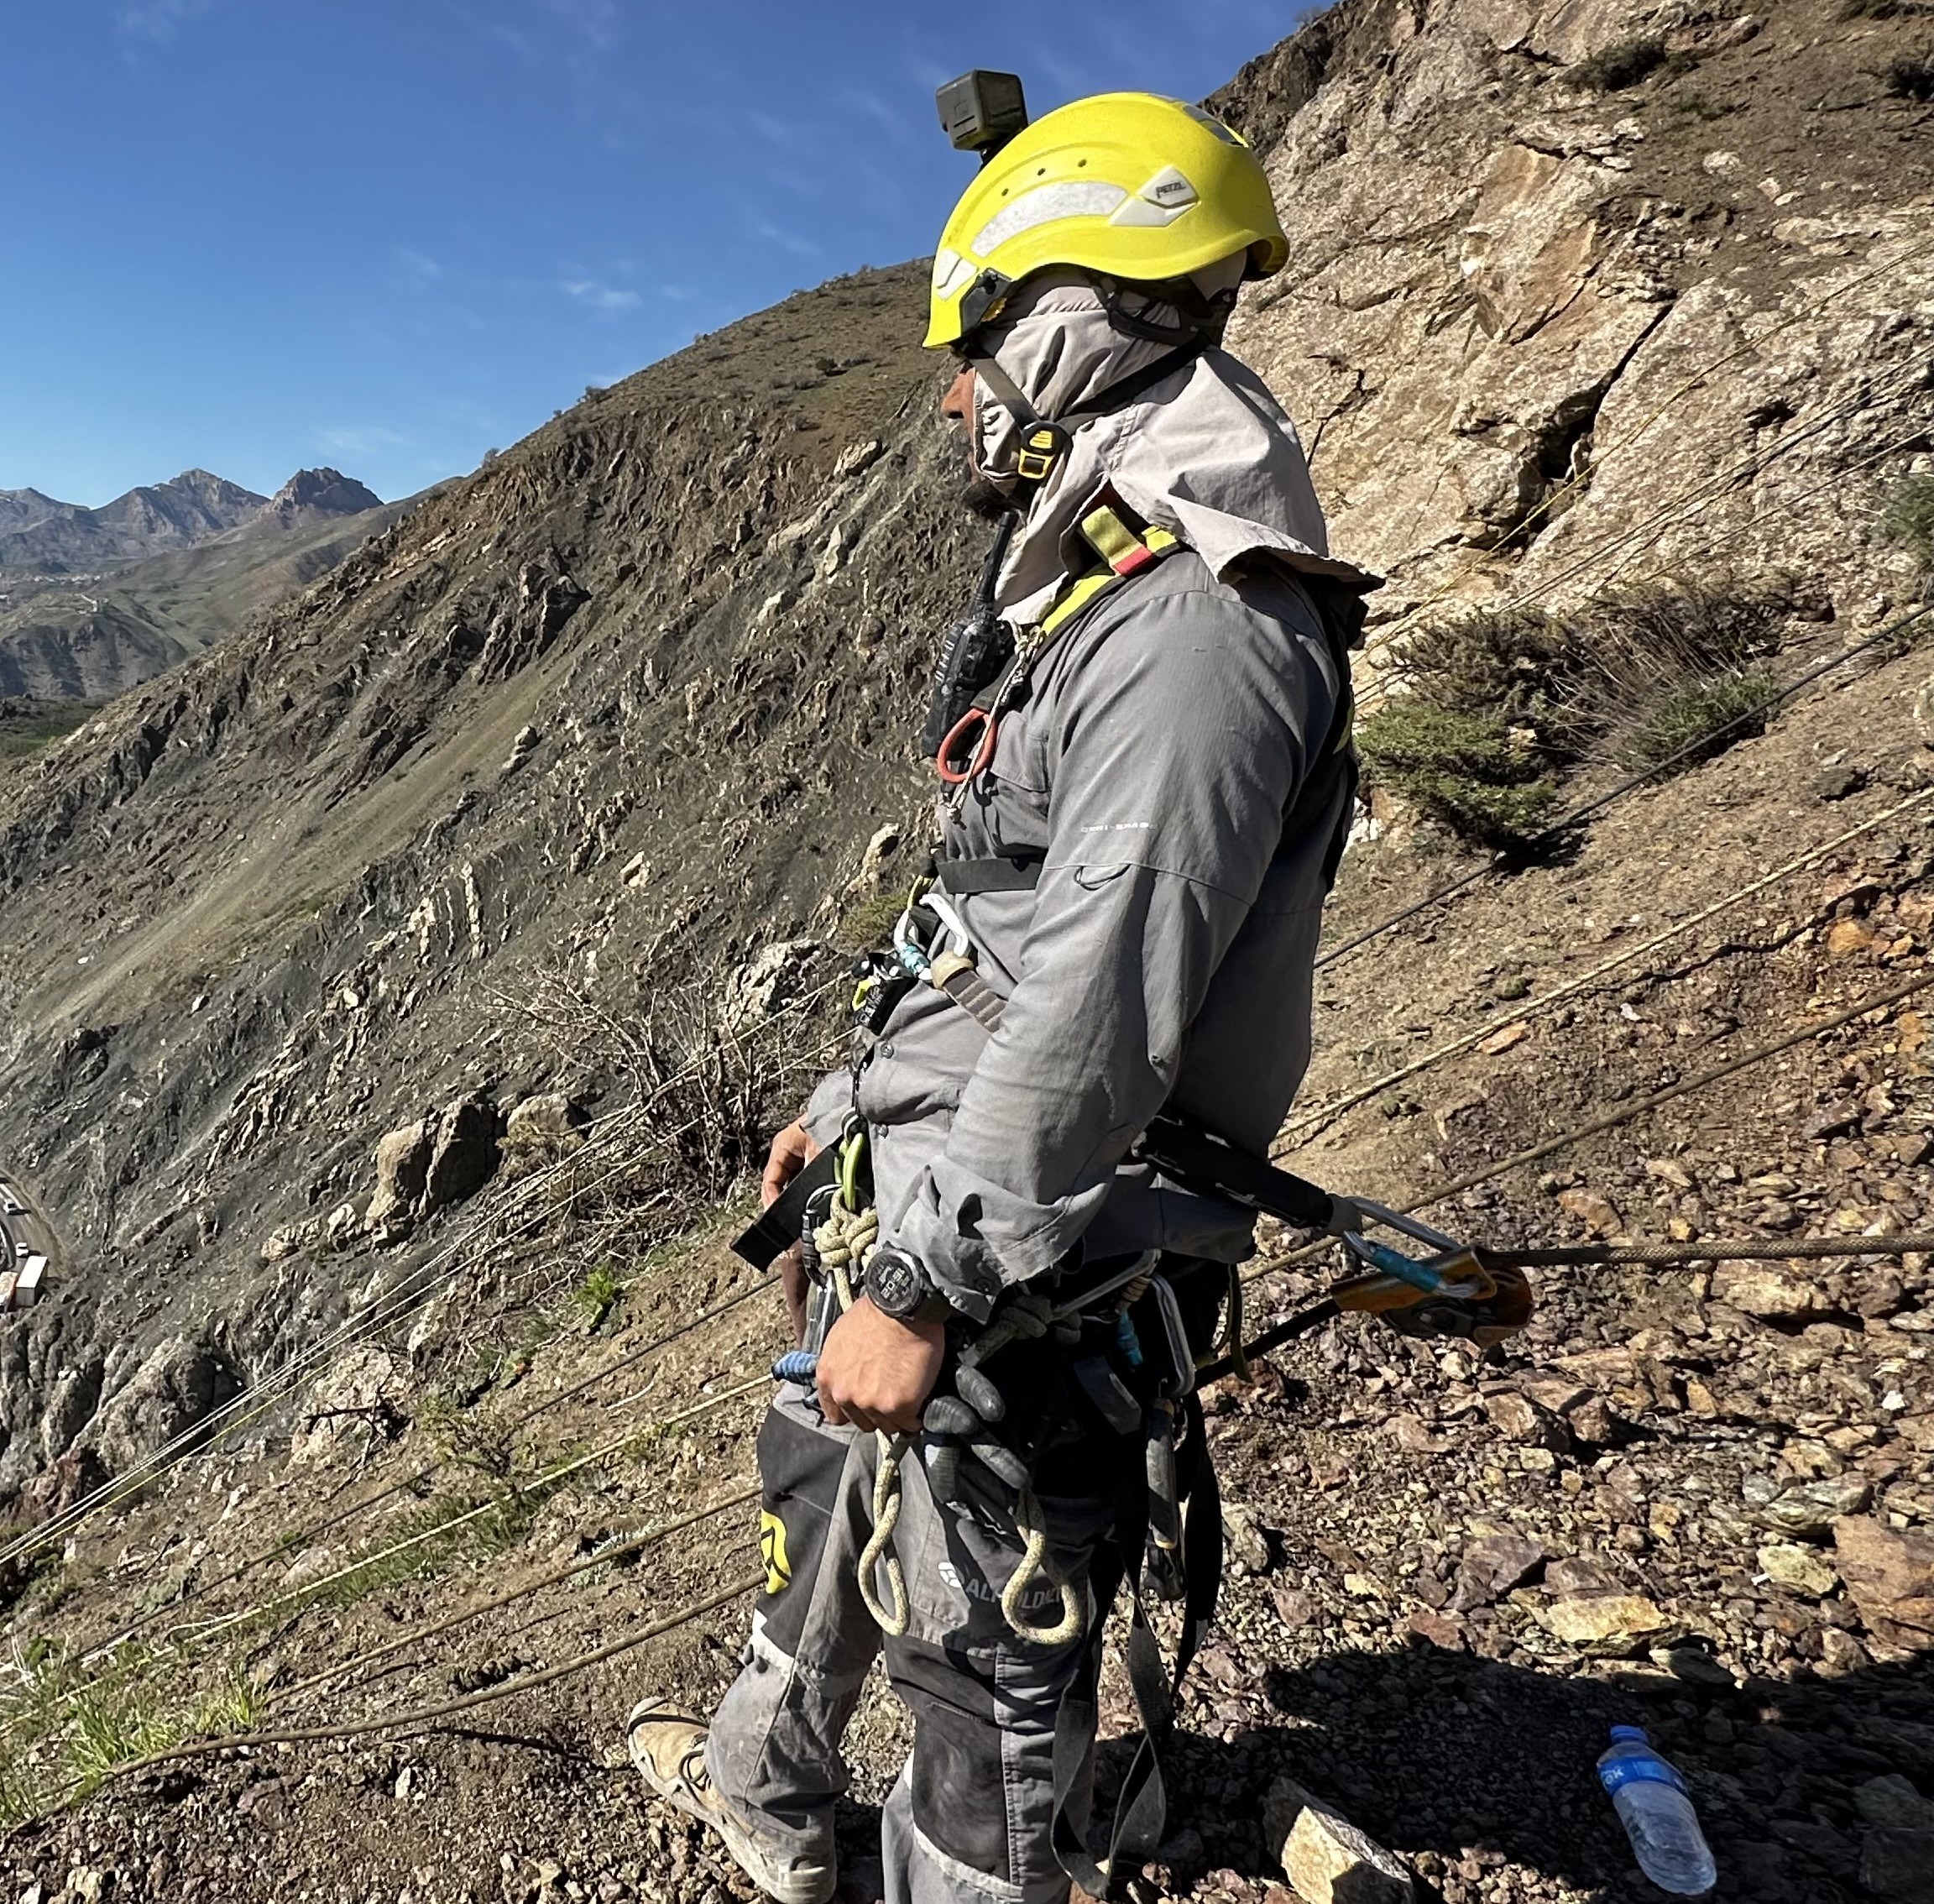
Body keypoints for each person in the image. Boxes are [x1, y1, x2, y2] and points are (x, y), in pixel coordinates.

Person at [625, 86, 1367, 1904]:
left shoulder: (1197, 635)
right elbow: (1003, 929)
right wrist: (847, 1098)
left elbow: (1103, 994)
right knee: (825, 1473)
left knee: (988, 1665)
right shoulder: (1111, 602)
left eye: (975, 346)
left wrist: (932, 1274)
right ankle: (774, 1797)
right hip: (944, 1179)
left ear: (1060, 326)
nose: (960, 393)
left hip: (1032, 1255)